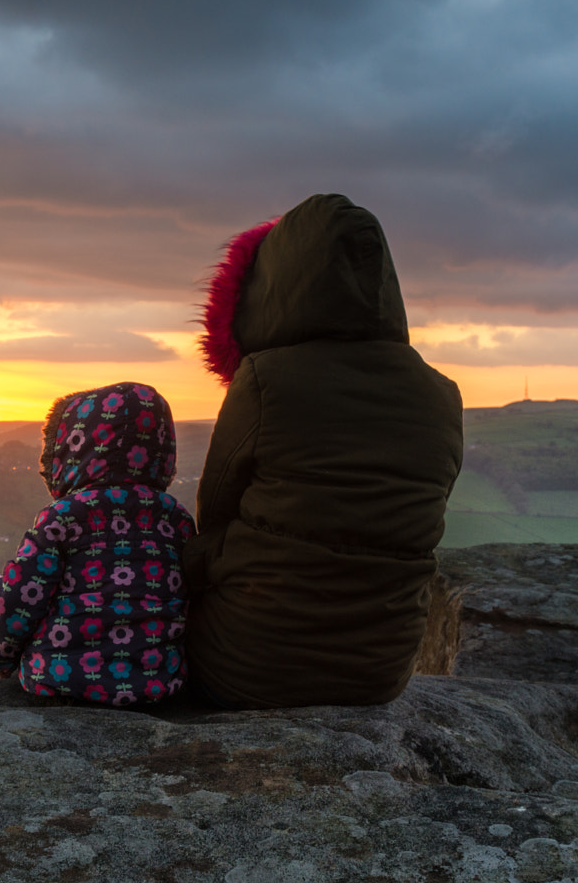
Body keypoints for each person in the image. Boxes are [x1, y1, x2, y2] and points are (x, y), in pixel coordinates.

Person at [183, 193, 463, 708]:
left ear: (279, 284)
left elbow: (215, 515)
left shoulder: (265, 380)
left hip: (244, 669)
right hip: (379, 676)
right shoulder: (442, 393)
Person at [0, 382, 196, 705]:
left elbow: (19, 597)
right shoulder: (176, 518)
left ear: (70, 449)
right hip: (158, 685)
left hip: (58, 681)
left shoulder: (64, 517)